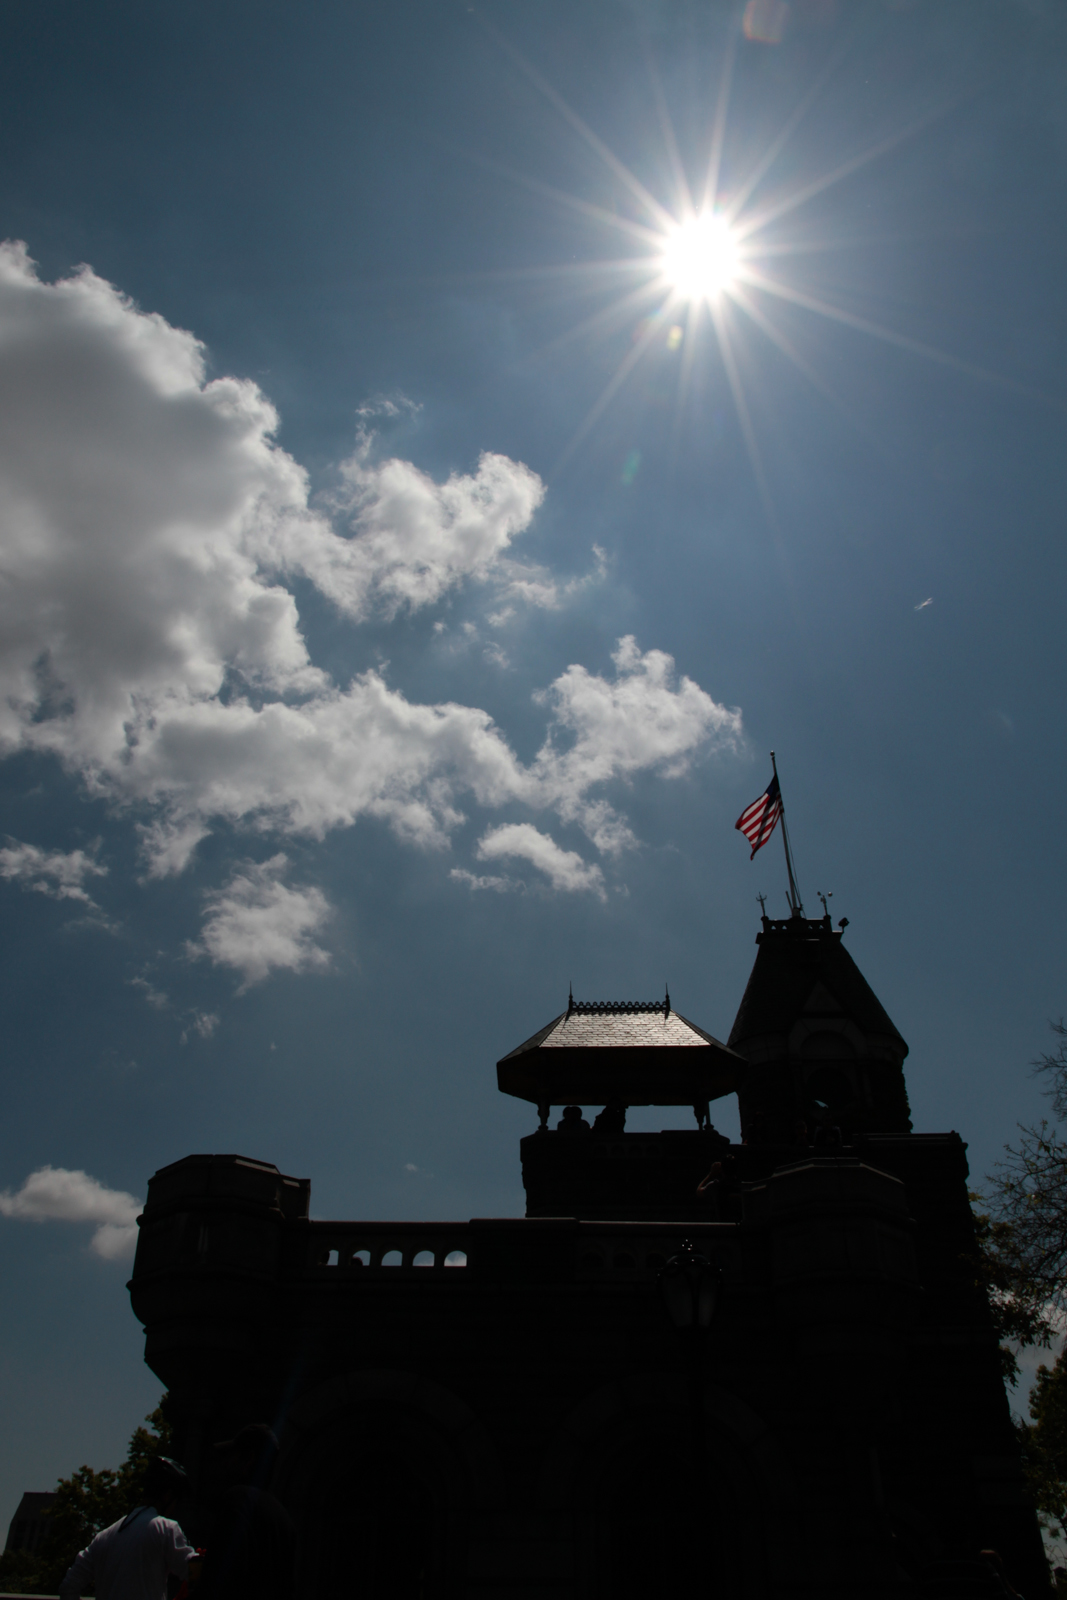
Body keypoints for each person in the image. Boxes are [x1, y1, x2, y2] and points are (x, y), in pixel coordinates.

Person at [59, 1457, 194, 1600]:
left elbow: (68, 1587)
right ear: (167, 1496)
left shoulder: (103, 1537)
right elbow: (192, 1573)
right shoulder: (166, 1528)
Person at [196, 1425, 296, 1600]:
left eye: (232, 1457)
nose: (226, 1464)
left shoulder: (238, 1500)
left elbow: (221, 1578)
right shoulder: (284, 1519)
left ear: (249, 1459)